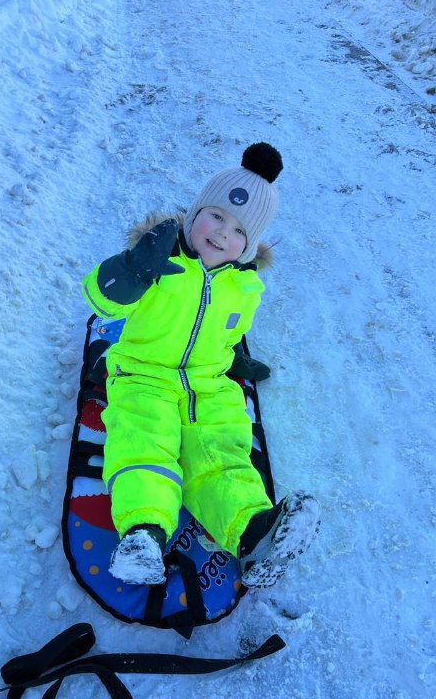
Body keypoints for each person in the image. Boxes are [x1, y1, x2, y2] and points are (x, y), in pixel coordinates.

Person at [81, 143, 320, 587]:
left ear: (248, 248)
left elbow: (227, 334)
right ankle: (143, 534)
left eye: (237, 231)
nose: (220, 233)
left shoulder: (243, 287)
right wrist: (132, 268)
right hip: (144, 376)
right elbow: (100, 300)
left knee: (221, 451)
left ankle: (253, 534)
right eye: (215, 216)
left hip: (208, 384)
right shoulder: (159, 260)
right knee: (144, 443)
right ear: (194, 215)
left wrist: (234, 361)